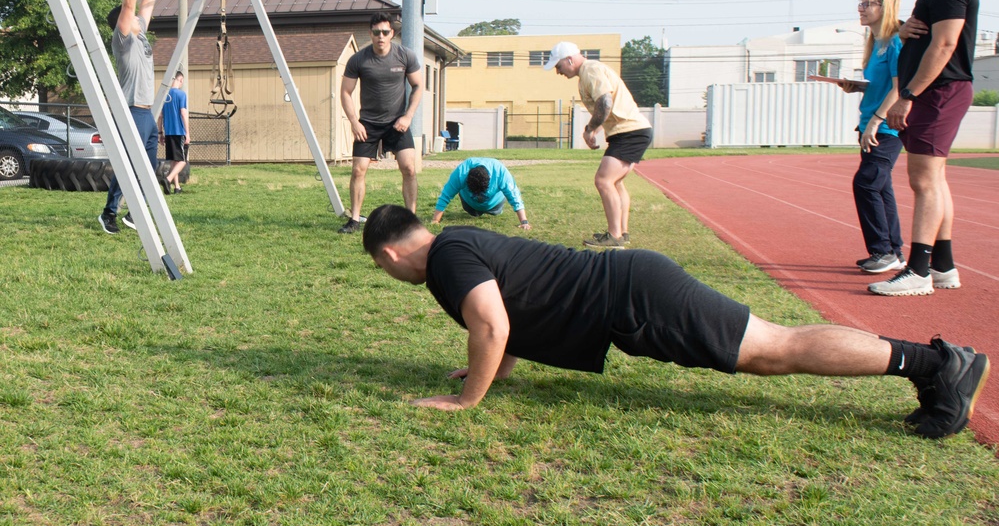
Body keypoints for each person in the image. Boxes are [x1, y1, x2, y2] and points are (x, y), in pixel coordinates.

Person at [362, 204, 990, 440]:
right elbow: (518, 316)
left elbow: (494, 327)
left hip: (636, 296)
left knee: (775, 348)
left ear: (390, 255)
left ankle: (938, 364)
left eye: (382, 269)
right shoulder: (458, 240)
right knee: (773, 346)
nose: (390, 275)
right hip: (630, 287)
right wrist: (492, 370)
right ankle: (934, 365)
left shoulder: (445, 263)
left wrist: (466, 399)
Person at [870, 0, 979, 297]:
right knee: (935, 180)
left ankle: (917, 271)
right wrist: (903, 31)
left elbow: (945, 46)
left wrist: (908, 95)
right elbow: (931, 36)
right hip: (939, 92)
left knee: (923, 181)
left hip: (939, 93)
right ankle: (943, 267)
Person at [544, 42, 652, 249]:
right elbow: (608, 109)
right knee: (615, 182)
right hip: (631, 131)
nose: (558, 72)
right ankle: (622, 233)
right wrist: (594, 130)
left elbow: (605, 102)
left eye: (558, 66)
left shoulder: (591, 70)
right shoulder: (589, 73)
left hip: (629, 133)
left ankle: (614, 237)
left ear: (569, 60)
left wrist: (589, 128)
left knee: (603, 181)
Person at [838, 0, 906, 274]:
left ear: (885, 7)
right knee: (880, 187)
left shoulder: (896, 42)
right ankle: (894, 251)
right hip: (871, 124)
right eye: (860, 3)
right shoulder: (875, 43)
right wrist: (858, 86)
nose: (861, 9)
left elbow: (900, 86)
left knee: (865, 183)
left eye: (868, 4)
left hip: (886, 128)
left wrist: (877, 121)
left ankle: (883, 251)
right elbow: (880, 85)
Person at [338, 12, 424, 234]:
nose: (381, 37)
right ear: (371, 34)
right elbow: (346, 92)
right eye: (376, 33)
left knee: (409, 168)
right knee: (358, 170)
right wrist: (354, 122)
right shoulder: (359, 59)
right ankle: (355, 220)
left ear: (391, 33)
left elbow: (418, 86)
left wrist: (408, 117)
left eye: (385, 32)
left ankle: (411, 220)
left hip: (398, 122)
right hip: (368, 124)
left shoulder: (405, 56)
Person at [98, 0, 167, 235]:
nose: (139, 19)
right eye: (133, 18)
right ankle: (109, 213)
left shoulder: (141, 38)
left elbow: (145, 7)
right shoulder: (123, 41)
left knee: (148, 170)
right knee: (130, 167)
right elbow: (130, 6)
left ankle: (133, 215)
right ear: (123, 24)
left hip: (146, 113)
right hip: (132, 111)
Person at [431, 158, 531, 230]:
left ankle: (493, 210)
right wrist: (435, 220)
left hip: (495, 204)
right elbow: (446, 195)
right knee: (474, 213)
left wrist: (524, 222)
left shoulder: (500, 172)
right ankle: (476, 210)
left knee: (495, 212)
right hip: (469, 204)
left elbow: (514, 196)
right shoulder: (461, 172)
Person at [158, 72, 190, 195]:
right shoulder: (181, 94)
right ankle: (168, 179)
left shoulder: (164, 95)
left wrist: (160, 133)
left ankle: (177, 187)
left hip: (168, 132)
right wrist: (187, 132)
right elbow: (183, 113)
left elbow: (160, 116)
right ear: (180, 80)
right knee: (182, 160)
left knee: (173, 161)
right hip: (179, 131)